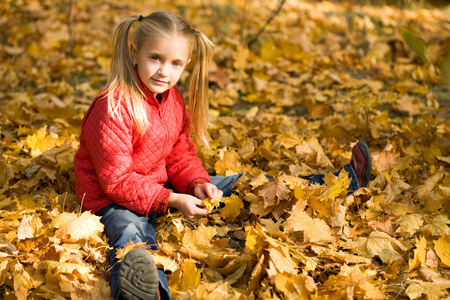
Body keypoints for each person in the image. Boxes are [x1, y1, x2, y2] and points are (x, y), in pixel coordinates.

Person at [74, 11, 372, 300]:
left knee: (239, 184)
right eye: (156, 58)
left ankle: (339, 182)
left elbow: (180, 156)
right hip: (112, 199)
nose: (165, 71)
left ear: (186, 64)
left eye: (175, 63)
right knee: (131, 233)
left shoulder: (173, 99)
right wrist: (173, 200)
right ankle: (143, 289)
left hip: (158, 186)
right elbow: (116, 180)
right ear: (134, 53)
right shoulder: (113, 106)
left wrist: (195, 183)